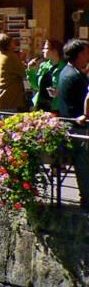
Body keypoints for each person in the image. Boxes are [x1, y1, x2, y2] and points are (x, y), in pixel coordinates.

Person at [56, 39, 89, 209]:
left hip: (71, 123)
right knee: (83, 161)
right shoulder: (74, 76)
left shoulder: (67, 72)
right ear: (79, 55)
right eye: (86, 53)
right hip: (78, 126)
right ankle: (87, 197)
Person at [0, 32, 28, 112]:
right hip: (9, 99)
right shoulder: (11, 57)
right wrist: (23, 61)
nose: (15, 44)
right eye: (13, 42)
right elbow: (24, 73)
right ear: (8, 45)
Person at [26, 38, 66, 112]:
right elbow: (36, 86)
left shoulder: (65, 68)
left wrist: (59, 93)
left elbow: (70, 89)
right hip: (41, 106)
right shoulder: (43, 66)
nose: (43, 50)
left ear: (54, 51)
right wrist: (31, 70)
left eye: (46, 48)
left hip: (56, 107)